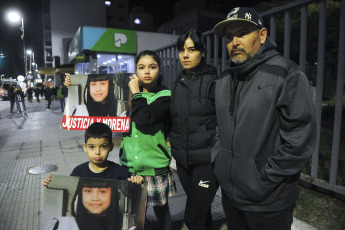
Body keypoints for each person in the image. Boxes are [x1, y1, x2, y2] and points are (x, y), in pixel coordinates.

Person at [211, 7, 317, 230]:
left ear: (262, 35)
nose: (235, 42)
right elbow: (219, 127)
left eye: (242, 33)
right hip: (230, 196)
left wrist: (261, 182)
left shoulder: (287, 74)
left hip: (268, 203)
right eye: (229, 37)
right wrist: (218, 160)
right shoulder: (223, 80)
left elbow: (299, 142)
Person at [119, 50, 176, 230]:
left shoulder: (164, 94)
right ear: (136, 70)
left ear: (159, 70)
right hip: (129, 165)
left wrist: (135, 92)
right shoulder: (125, 93)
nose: (147, 72)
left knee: (161, 210)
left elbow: (145, 117)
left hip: (154, 166)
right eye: (141, 67)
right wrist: (71, 86)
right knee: (132, 212)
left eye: (152, 67)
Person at [168, 29, 219, 230]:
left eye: (191, 49)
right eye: (182, 50)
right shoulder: (178, 82)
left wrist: (216, 154)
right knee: (203, 212)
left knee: (192, 219)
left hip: (206, 162)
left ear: (202, 52)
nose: (185, 55)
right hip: (182, 161)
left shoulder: (215, 82)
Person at [43, 122, 143, 185]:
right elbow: (67, 187)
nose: (97, 152)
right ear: (85, 148)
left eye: (103, 147)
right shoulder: (78, 172)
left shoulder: (120, 172)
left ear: (111, 147)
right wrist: (52, 184)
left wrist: (137, 180)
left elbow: (134, 184)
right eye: (92, 147)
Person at [45, 178, 123, 230]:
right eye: (88, 191)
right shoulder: (60, 225)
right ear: (81, 194)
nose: (94, 198)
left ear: (113, 194)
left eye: (102, 192)